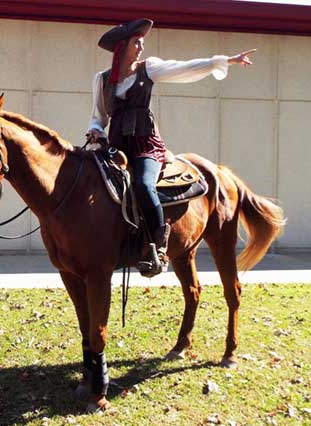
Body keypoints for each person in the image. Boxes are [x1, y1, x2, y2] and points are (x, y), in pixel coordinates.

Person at [87, 18, 255, 276]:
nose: (141, 46)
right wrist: (96, 130)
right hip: (116, 147)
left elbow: (185, 68)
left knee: (143, 185)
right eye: (136, 42)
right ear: (121, 47)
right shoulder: (102, 79)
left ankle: (158, 246)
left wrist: (224, 61)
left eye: (142, 42)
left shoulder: (149, 69)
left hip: (146, 146)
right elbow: (99, 117)